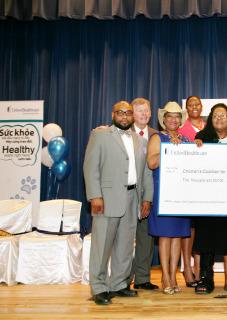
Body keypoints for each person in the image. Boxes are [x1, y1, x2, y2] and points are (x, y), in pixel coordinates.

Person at [83, 101, 154, 305]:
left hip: (133, 199)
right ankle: (99, 287)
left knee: (125, 246)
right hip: (105, 199)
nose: (124, 117)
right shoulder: (100, 135)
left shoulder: (140, 141)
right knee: (101, 245)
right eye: (120, 113)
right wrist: (95, 195)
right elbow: (90, 167)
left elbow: (146, 173)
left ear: (133, 116)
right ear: (113, 114)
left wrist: (147, 198)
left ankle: (120, 284)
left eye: (128, 113)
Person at [192, 103, 227, 294]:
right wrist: (195, 148)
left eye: (223, 116)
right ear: (211, 118)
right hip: (207, 197)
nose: (219, 119)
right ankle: (206, 280)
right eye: (215, 116)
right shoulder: (202, 136)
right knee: (206, 238)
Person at [147, 102, 190, 294]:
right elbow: (151, 163)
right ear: (163, 119)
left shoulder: (186, 139)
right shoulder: (157, 137)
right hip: (163, 193)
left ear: (181, 120)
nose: (173, 120)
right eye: (169, 116)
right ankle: (165, 276)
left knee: (177, 237)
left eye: (177, 116)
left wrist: (197, 146)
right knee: (165, 236)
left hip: (181, 194)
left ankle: (173, 276)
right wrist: (168, 150)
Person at [126, 98, 159, 291]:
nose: (144, 114)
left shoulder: (157, 135)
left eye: (147, 110)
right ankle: (124, 279)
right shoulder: (122, 133)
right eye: (139, 111)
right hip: (127, 194)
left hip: (149, 194)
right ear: (132, 113)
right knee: (125, 239)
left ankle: (142, 278)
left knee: (146, 239)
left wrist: (148, 197)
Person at [177, 95, 205, 286]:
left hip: (207, 186)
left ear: (201, 107)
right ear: (186, 109)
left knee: (202, 230)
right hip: (188, 185)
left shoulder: (208, 126)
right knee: (189, 229)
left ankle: (199, 269)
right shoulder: (179, 130)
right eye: (190, 105)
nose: (194, 107)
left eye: (197, 104)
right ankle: (187, 268)